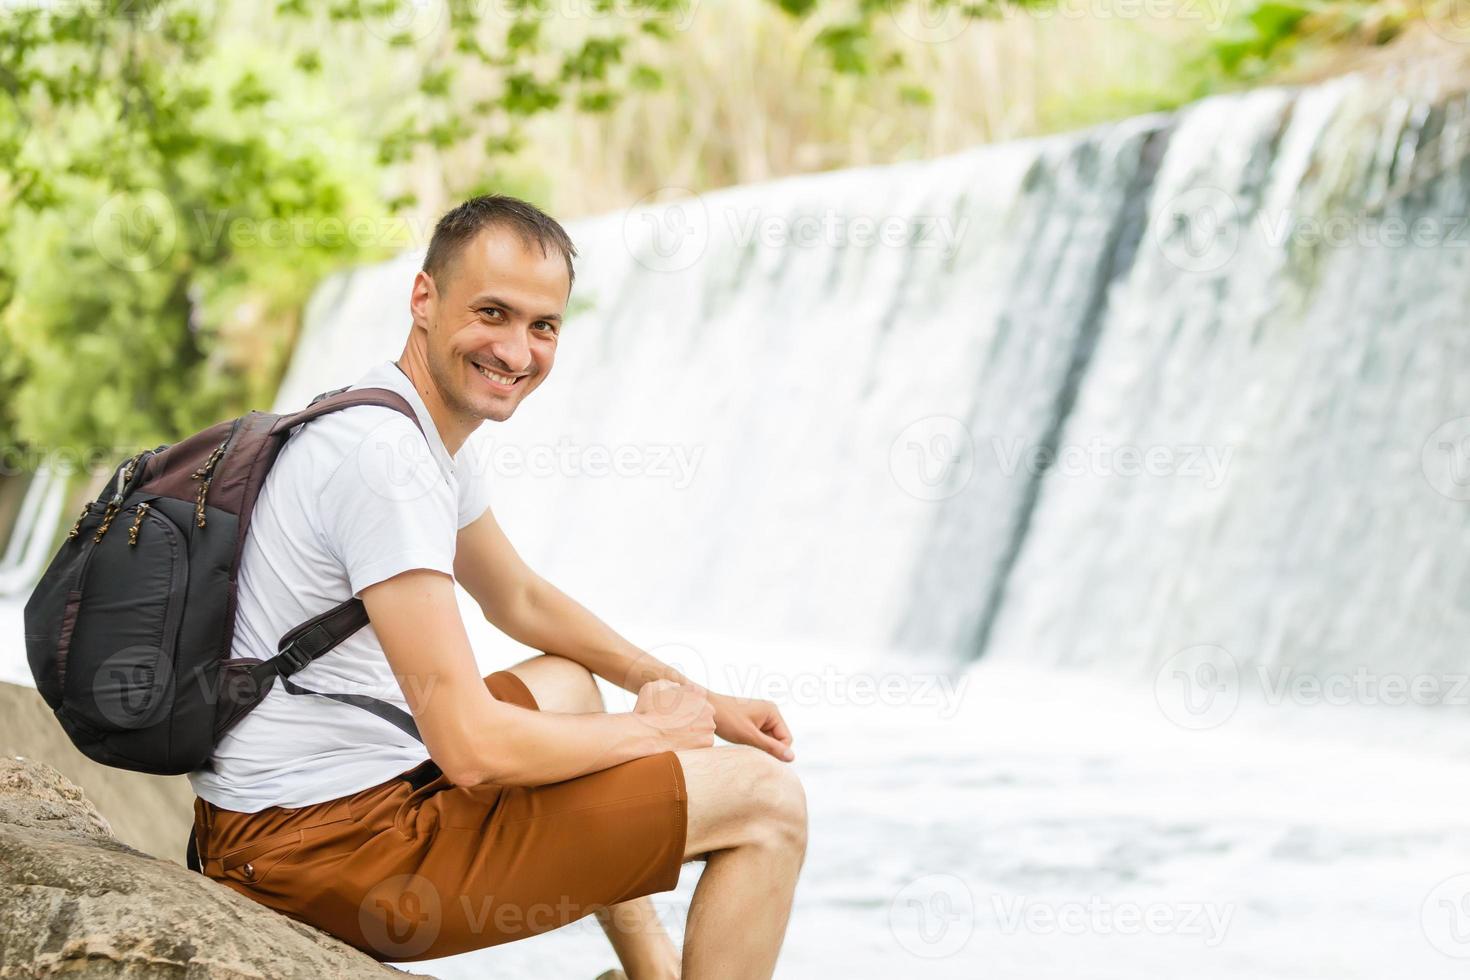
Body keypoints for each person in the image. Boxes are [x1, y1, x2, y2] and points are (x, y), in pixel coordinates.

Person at [188, 195, 807, 979]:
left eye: (543, 326)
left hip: (308, 808)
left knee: (568, 684)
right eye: (493, 313)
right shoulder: (389, 464)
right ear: (423, 298)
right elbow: (471, 748)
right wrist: (655, 734)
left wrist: (696, 699)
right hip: (319, 849)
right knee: (767, 805)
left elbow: (518, 599)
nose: (517, 351)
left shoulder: (397, 423)